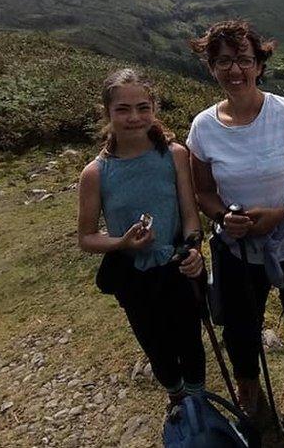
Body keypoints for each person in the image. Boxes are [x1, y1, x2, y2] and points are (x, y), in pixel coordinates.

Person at [186, 19, 284, 422]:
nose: (234, 70)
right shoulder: (203, 127)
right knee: (239, 326)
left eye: (243, 60)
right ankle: (248, 385)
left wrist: (279, 214)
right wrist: (224, 217)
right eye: (223, 61)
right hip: (236, 245)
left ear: (259, 64)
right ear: (210, 67)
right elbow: (203, 191)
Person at [76, 68, 206, 409]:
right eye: (123, 109)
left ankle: (195, 401)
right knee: (155, 344)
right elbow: (87, 238)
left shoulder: (175, 154)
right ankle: (178, 397)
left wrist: (194, 248)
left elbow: (190, 213)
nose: (134, 117)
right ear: (107, 113)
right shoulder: (95, 173)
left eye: (143, 107)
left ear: (154, 109)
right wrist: (122, 244)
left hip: (179, 266)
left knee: (191, 340)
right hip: (133, 278)